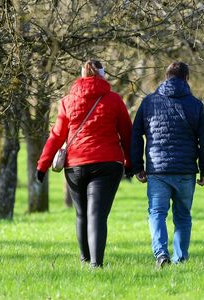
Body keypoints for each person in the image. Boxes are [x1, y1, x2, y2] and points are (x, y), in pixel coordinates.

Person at [36, 60, 133, 268]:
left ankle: (85, 259)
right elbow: (127, 133)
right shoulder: (114, 100)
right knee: (97, 215)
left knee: (81, 213)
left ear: (81, 76)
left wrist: (43, 165)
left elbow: (56, 136)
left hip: (76, 165)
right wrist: (130, 162)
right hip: (107, 164)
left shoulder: (67, 101)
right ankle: (96, 264)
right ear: (103, 75)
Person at [130, 61, 204, 268]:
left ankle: (161, 254)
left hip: (158, 170)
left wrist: (137, 166)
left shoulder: (149, 102)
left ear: (166, 77)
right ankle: (180, 259)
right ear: (186, 79)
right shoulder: (195, 105)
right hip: (185, 170)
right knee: (183, 216)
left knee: (157, 213)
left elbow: (135, 135)